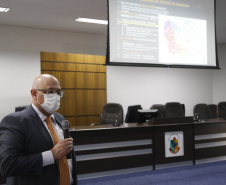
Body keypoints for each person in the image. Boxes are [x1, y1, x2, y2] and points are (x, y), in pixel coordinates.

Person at [0, 74, 77, 185]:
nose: (55, 96)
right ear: (34, 94)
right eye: (50, 91)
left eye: (58, 92)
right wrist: (52, 155)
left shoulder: (60, 118)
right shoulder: (15, 121)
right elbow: (8, 165)